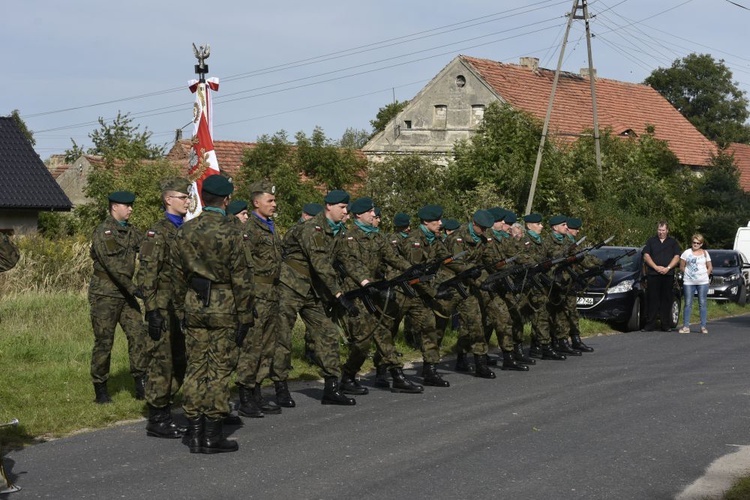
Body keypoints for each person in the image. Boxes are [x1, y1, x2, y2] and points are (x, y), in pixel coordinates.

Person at [171, 174, 255, 454]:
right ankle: (212, 434)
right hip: (225, 305)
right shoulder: (233, 231)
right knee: (219, 369)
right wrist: (246, 315)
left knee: (196, 367)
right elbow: (241, 277)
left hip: (194, 303)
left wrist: (181, 307)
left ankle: (194, 431)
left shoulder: (185, 230)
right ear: (226, 200)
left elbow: (176, 275)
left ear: (202, 198)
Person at [274, 190, 360, 406]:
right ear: (329, 206)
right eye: (342, 207)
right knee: (282, 337)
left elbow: (347, 261)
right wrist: (339, 294)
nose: (346, 211)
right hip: (290, 286)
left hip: (314, 290)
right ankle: (280, 387)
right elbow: (320, 263)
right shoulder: (312, 228)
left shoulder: (338, 232)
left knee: (328, 333)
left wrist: (366, 283)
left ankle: (332, 387)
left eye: (346, 207)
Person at [337, 197, 423, 394]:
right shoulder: (348, 237)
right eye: (370, 212)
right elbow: (351, 264)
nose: (374, 215)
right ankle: (348, 376)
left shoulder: (378, 237)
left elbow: (393, 258)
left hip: (375, 293)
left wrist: (412, 270)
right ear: (359, 215)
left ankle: (397, 375)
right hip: (357, 294)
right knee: (362, 343)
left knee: (384, 334)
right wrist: (366, 282)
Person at [137, 178, 191, 438]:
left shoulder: (186, 230)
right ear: (169, 199)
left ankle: (167, 406)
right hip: (162, 305)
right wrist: (152, 311)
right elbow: (147, 273)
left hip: (181, 307)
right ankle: (158, 417)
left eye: (188, 197)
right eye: (183, 197)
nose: (188, 201)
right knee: (162, 362)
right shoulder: (157, 232)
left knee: (180, 360)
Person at [88, 190, 147, 404]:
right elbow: (112, 267)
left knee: (138, 334)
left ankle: (141, 383)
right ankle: (101, 389)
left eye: (131, 205)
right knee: (104, 341)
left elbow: (149, 250)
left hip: (126, 294)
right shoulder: (103, 232)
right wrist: (134, 288)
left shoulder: (132, 232)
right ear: (115, 207)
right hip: (105, 293)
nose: (131, 209)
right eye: (127, 205)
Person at [439, 209, 496, 378]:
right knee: (438, 326)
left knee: (474, 323)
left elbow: (488, 260)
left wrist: (498, 271)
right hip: (450, 285)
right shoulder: (458, 236)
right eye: (483, 228)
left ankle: (479, 363)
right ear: (475, 224)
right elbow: (455, 262)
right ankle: (430, 364)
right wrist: (474, 273)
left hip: (467, 287)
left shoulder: (483, 239)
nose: (485, 231)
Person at [643, 221, 681, 331]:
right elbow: (646, 256)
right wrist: (655, 267)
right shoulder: (651, 241)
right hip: (653, 274)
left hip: (667, 274)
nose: (661, 232)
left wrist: (668, 268)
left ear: (667, 230)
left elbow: (677, 257)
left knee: (666, 300)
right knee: (652, 299)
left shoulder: (673, 242)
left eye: (663, 230)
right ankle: (650, 324)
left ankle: (665, 325)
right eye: (659, 230)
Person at [679, 234, 712, 334]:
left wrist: (705, 275)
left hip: (703, 282)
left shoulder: (705, 253)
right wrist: (689, 274)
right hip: (689, 282)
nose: (695, 244)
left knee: (702, 303)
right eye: (694, 242)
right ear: (691, 242)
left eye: (698, 243)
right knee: (688, 303)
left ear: (701, 244)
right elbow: (681, 266)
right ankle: (686, 326)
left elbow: (710, 267)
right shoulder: (686, 253)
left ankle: (703, 327)